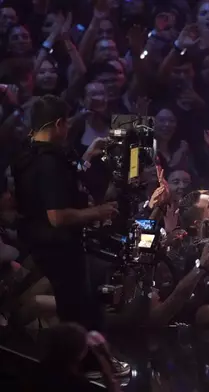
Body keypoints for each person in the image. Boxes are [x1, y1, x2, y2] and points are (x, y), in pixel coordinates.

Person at [11, 95, 129, 378]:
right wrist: (98, 212)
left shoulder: (27, 152)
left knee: (76, 301)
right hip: (58, 244)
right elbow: (57, 216)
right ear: (60, 124)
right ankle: (90, 364)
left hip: (40, 242)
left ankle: (79, 361)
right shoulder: (49, 162)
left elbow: (60, 182)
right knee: (81, 306)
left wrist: (87, 157)